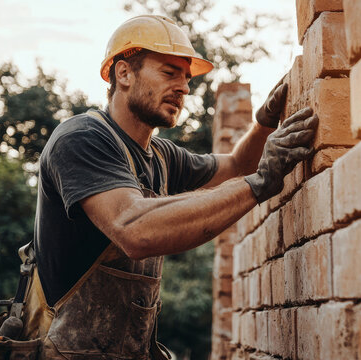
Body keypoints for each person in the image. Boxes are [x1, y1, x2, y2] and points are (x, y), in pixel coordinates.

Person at [25, 15, 317, 359]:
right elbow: (134, 228)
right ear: (124, 74)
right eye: (169, 72)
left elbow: (237, 166)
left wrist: (265, 122)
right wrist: (260, 183)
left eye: (186, 77)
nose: (184, 87)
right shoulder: (82, 140)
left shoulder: (161, 156)